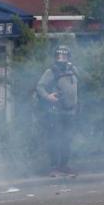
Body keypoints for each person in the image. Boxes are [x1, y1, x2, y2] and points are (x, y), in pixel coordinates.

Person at [36, 45, 80, 177]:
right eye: (59, 56)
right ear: (55, 57)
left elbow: (78, 85)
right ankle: (54, 167)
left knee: (67, 139)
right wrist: (48, 96)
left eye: (65, 56)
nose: (62, 59)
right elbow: (40, 86)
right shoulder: (51, 71)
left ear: (69, 57)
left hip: (70, 111)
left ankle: (64, 165)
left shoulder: (73, 69)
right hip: (56, 111)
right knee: (55, 139)